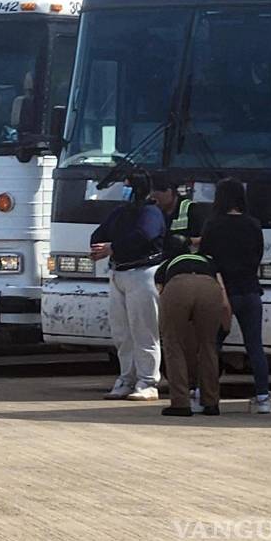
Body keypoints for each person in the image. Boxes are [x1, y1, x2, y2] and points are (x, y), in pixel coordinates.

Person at [90, 169, 166, 401]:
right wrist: (101, 247)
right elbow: (98, 234)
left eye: (127, 186)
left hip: (143, 273)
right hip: (119, 274)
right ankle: (127, 378)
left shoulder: (151, 212)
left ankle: (148, 381)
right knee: (122, 332)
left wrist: (113, 247)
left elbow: (145, 235)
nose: (123, 190)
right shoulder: (121, 212)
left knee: (144, 330)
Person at [200, 178, 271, 413]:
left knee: (212, 346)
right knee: (254, 346)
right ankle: (263, 398)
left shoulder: (213, 225)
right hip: (250, 290)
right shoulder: (253, 224)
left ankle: (203, 394)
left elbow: (206, 258)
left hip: (222, 293)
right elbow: (257, 256)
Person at [155, 237, 230, 417]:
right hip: (209, 287)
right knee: (208, 346)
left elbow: (162, 295)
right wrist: (226, 325)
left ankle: (181, 403)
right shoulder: (208, 260)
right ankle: (211, 403)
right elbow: (224, 297)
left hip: (177, 286)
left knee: (173, 345)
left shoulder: (165, 265)